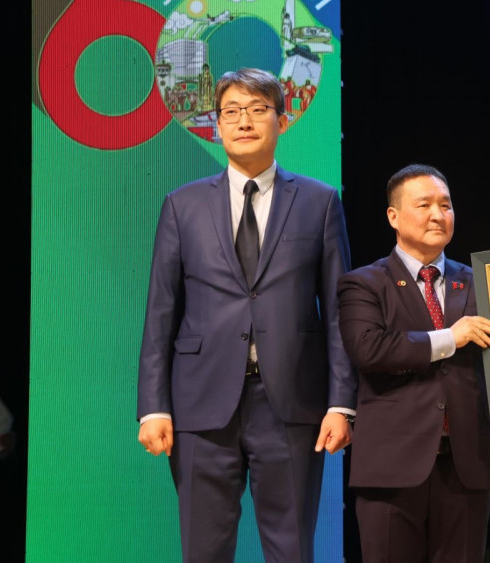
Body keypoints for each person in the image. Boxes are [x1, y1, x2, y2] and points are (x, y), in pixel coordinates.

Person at [137, 67, 357, 562]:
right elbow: (160, 314)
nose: (244, 121)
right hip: (199, 405)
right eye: (232, 111)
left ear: (282, 121)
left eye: (258, 110)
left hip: (291, 402)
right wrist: (154, 407)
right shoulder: (182, 205)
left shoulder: (320, 202)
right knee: (203, 550)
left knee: (291, 549)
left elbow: (339, 313)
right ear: (217, 125)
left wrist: (341, 403)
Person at [338, 164, 490, 563]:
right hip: (391, 469)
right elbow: (369, 349)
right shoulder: (364, 283)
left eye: (445, 205)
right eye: (424, 205)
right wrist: (450, 337)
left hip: (466, 467)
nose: (438, 215)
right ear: (393, 216)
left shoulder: (483, 281)